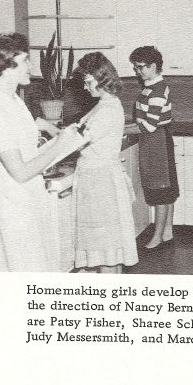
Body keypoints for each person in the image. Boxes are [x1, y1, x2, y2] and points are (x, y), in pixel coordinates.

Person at [0, 32, 78, 272]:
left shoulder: (13, 100)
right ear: (6, 66)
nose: (31, 66)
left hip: (30, 196)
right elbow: (21, 172)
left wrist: (54, 131)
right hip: (13, 199)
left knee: (40, 267)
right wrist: (61, 144)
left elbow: (29, 128)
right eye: (25, 61)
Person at [73, 52, 139, 272]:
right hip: (98, 180)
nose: (85, 87)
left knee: (106, 251)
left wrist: (46, 127)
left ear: (102, 78)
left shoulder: (108, 109)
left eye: (88, 81)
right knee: (109, 251)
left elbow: (76, 142)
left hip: (99, 183)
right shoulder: (105, 103)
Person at [131, 44, 179, 250]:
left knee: (161, 190)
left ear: (153, 66)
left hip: (156, 141)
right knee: (166, 189)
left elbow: (149, 125)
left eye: (141, 67)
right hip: (158, 140)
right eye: (136, 67)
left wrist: (122, 129)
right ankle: (167, 231)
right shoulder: (152, 87)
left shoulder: (157, 90)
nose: (138, 71)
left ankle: (157, 236)